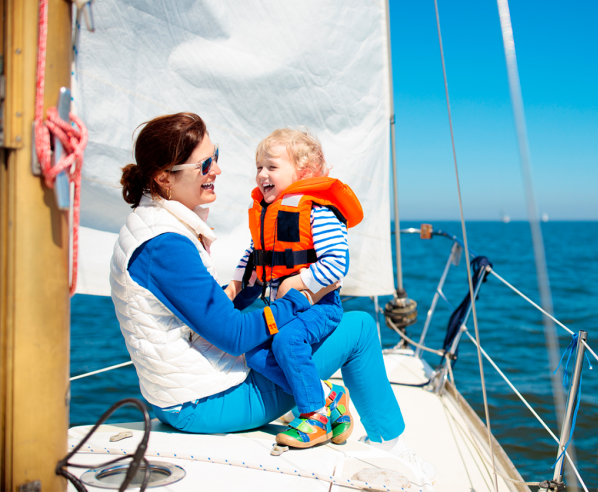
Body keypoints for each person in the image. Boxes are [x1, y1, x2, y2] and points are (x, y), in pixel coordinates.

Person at [110, 112, 436, 481]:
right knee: (360, 327)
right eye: (204, 164)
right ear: (164, 178)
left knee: (274, 337)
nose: (217, 169)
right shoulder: (166, 245)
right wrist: (300, 296)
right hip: (203, 403)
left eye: (215, 155)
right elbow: (234, 335)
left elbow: (218, 311)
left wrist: (244, 290)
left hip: (177, 393)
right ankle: (391, 450)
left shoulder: (146, 227)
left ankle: (329, 400)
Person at [226, 128, 363, 448]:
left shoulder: (318, 211)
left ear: (303, 172)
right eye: (259, 167)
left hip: (319, 307)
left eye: (271, 167)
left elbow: (336, 265)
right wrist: (234, 285)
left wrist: (298, 282)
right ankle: (329, 396)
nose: (262, 174)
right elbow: (253, 257)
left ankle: (314, 415)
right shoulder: (270, 215)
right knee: (254, 351)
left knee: (287, 341)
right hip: (281, 308)